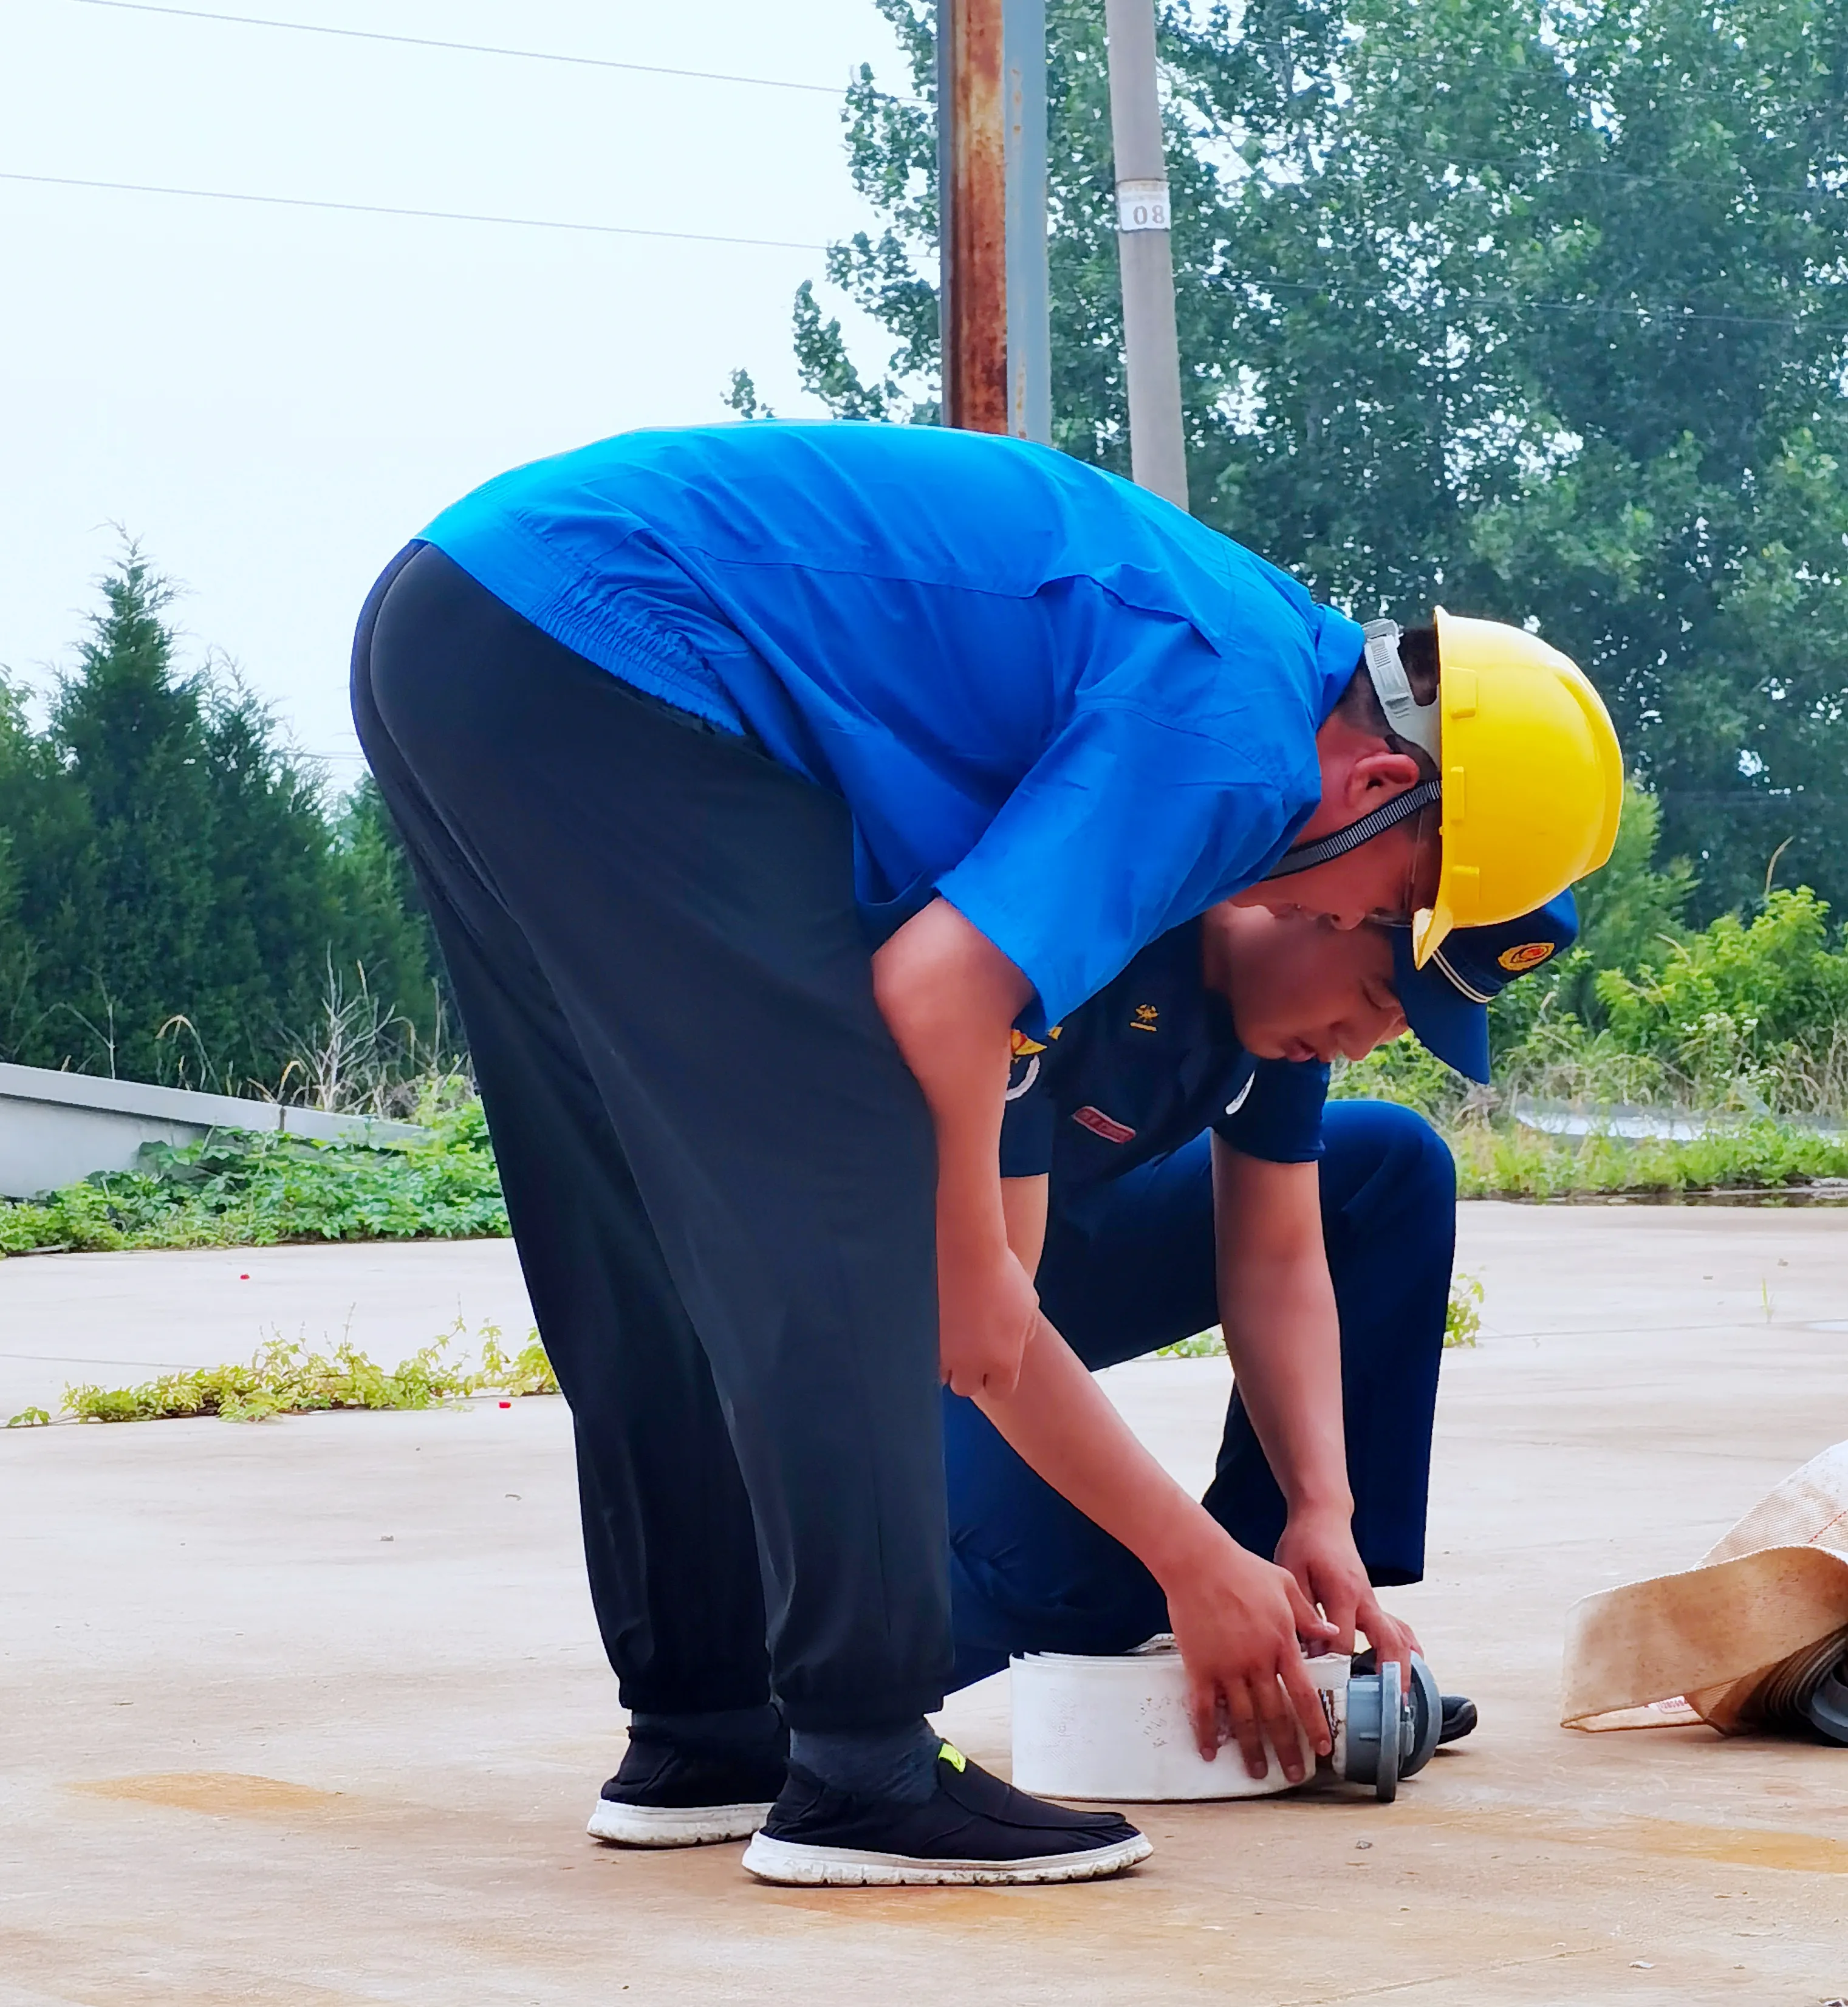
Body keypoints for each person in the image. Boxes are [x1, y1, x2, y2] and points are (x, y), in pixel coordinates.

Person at [351, 420, 1620, 1889]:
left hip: (475, 620)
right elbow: (939, 993)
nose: (1351, 928)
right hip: (623, 646)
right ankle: (863, 1772)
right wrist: (963, 1267)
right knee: (840, 1200)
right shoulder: (1238, 734)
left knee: (627, 1218)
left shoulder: (1242, 671)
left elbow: (1231, 1212)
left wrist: (1299, 1502)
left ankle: (705, 1730)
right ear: (1375, 785)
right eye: (1395, 900)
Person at [945, 896, 1580, 1760]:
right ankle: (764, 1676)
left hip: (1044, 1251)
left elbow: (1276, 1261)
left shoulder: (1276, 1016)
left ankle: (1276, 1627)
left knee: (1389, 1165)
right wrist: (1183, 1559)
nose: (1360, 1041)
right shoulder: (1089, 924)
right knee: (1099, 1578)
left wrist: (1323, 1506)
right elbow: (983, 1300)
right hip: (892, 1303)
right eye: (1374, 996)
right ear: (1328, 898)